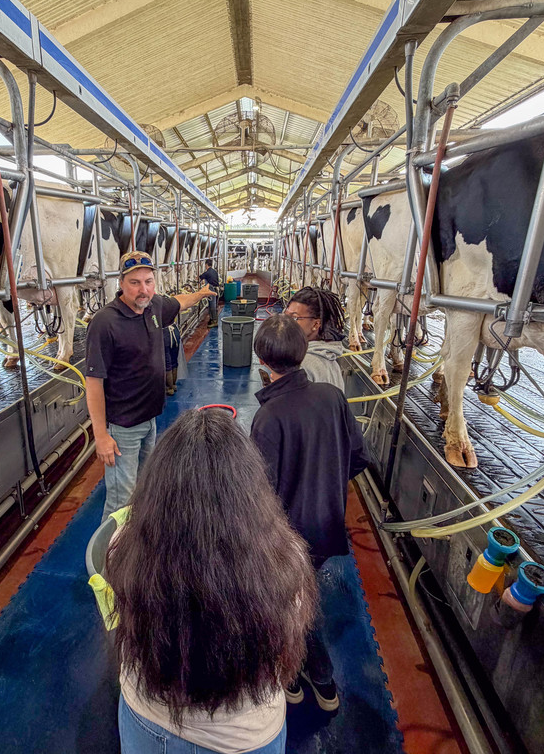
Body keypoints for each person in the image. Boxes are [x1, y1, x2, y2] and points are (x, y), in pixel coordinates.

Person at [107, 408, 317, 754]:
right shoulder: (288, 560)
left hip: (152, 724)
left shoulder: (123, 547)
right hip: (248, 737)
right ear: (250, 488)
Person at [249, 314, 368, 712]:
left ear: (262, 361)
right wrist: (326, 487)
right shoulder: (331, 397)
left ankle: (319, 680)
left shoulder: (269, 418)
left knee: (294, 606)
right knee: (299, 598)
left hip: (289, 535)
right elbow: (357, 457)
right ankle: (298, 677)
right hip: (327, 520)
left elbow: (260, 494)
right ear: (303, 353)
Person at [86, 250, 213, 522]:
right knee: (121, 500)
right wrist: (101, 436)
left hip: (150, 419)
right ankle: (111, 560)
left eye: (148, 281)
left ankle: (137, 543)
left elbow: (178, 301)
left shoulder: (154, 306)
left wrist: (201, 294)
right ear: (121, 283)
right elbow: (94, 383)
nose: (143, 289)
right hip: (122, 427)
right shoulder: (105, 323)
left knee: (144, 488)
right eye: (135, 282)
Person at [284, 287, 347, 391]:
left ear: (316, 324)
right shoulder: (330, 359)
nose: (286, 323)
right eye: (285, 317)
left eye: (295, 318)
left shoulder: (302, 366)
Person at [199, 258, 221, 328]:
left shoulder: (207, 272)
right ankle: (213, 319)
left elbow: (199, 278)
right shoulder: (214, 271)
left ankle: (214, 321)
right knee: (214, 305)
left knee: (212, 306)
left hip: (212, 290)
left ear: (206, 265)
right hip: (217, 289)